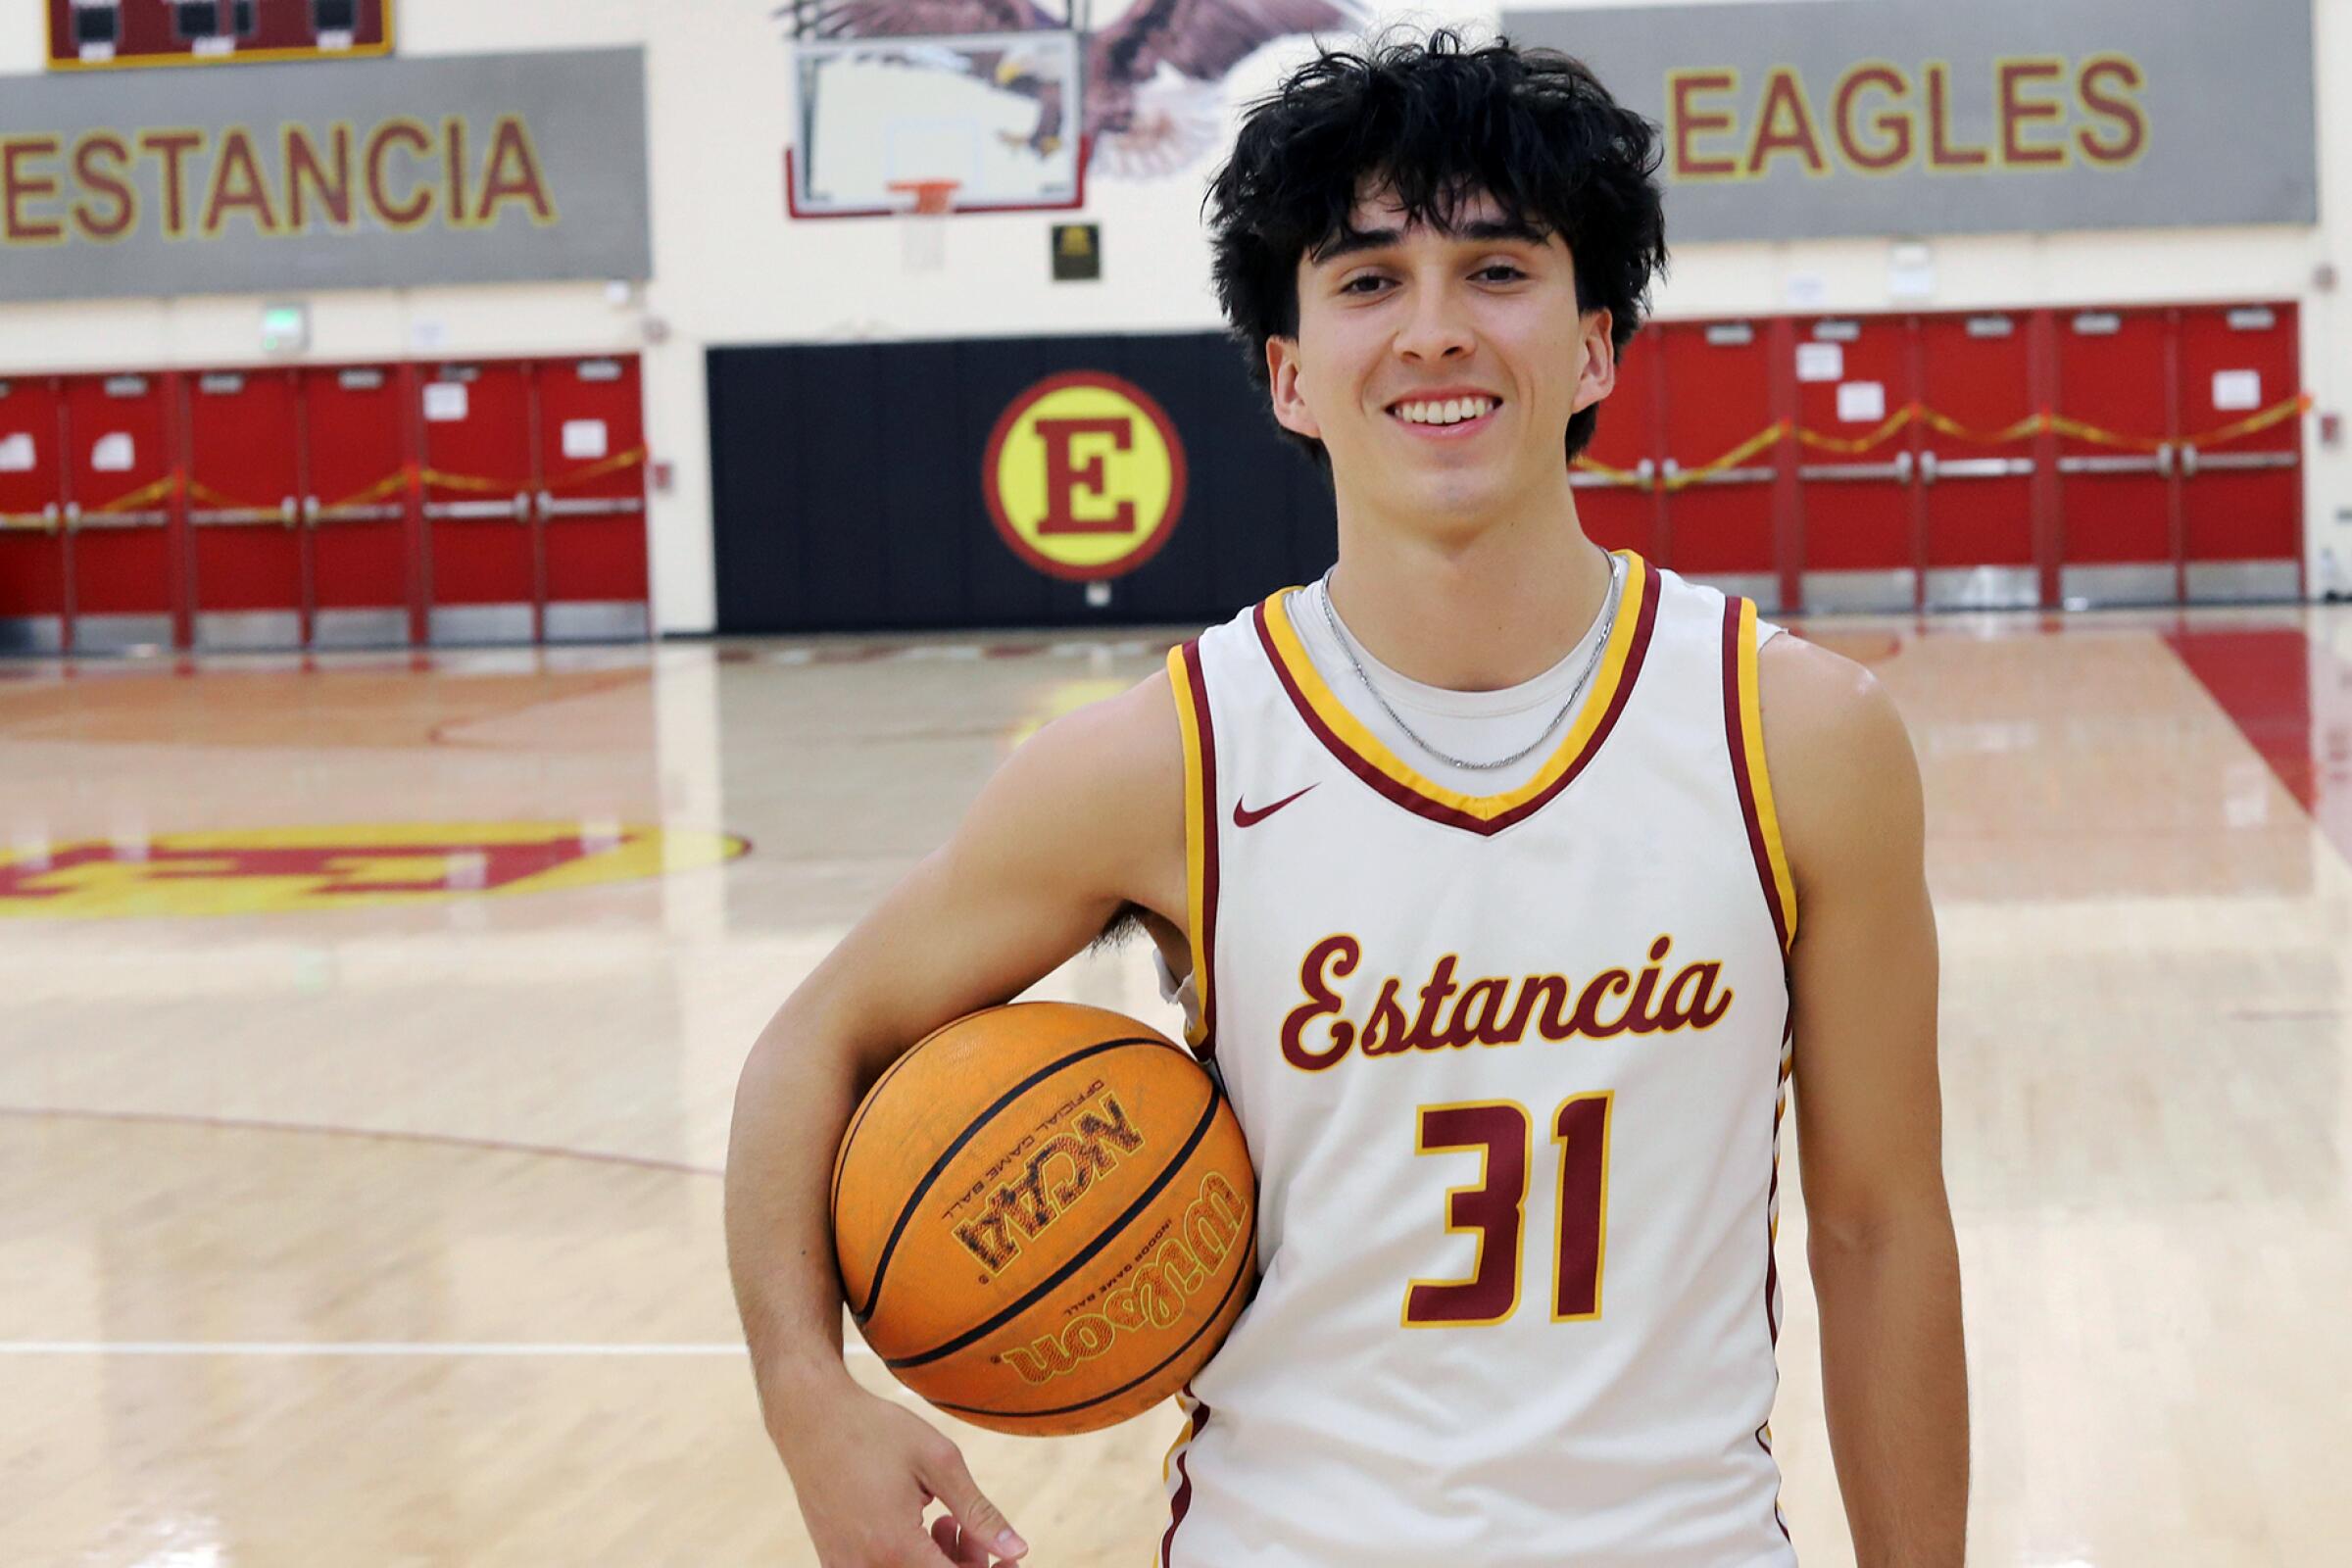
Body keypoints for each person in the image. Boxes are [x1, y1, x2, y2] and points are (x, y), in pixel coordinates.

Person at [726, 30, 1966, 1568]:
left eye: (1498, 271)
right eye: (1369, 281)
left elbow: (1878, 1227)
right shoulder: (1171, 758)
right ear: (1291, 374)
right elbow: (810, 1047)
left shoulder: (1797, 737)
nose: (1435, 332)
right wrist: (803, 1390)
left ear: (1595, 345)